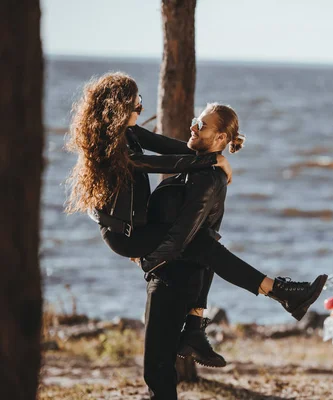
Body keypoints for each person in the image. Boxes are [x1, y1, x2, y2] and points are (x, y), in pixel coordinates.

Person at [140, 102, 327, 399]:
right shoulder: (200, 164)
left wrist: (149, 259)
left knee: (157, 370)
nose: (192, 127)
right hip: (176, 275)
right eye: (194, 121)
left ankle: (280, 291)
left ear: (220, 139)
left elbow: (182, 236)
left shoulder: (206, 177)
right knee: (158, 370)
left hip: (173, 278)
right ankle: (279, 292)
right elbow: (158, 147)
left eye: (201, 125)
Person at [66, 72, 231, 367]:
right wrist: (210, 161)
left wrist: (212, 154)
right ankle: (269, 290)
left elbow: (166, 145)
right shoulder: (113, 146)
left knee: (203, 239)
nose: (140, 109)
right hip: (125, 234)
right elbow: (155, 164)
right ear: (119, 108)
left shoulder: (128, 132)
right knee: (204, 243)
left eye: (140, 102)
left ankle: (194, 328)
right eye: (135, 104)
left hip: (137, 227)